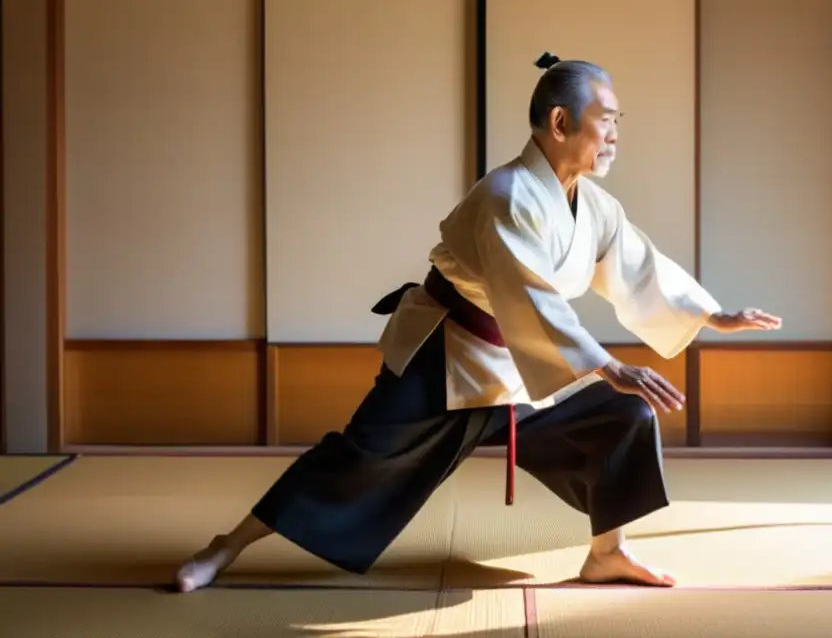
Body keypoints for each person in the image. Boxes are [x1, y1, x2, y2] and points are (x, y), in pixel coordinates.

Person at [175, 52, 781, 593]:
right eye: (607, 119)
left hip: (525, 372)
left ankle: (608, 553)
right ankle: (226, 545)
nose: (616, 135)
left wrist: (711, 313)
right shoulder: (507, 196)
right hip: (451, 356)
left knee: (623, 416)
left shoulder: (593, 206)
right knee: (357, 458)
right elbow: (532, 299)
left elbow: (636, 266)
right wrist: (609, 364)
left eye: (619, 122)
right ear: (560, 123)